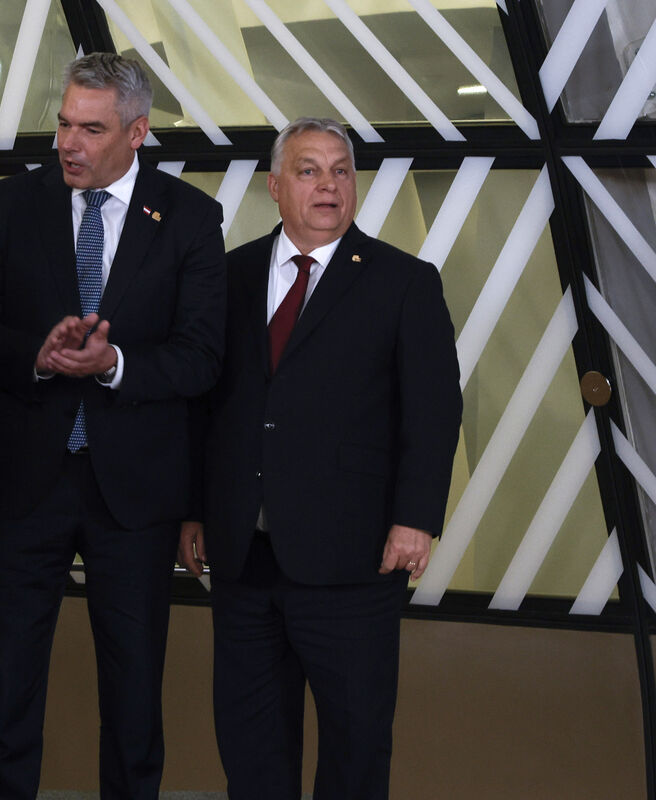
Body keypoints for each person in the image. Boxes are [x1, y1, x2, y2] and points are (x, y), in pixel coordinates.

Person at [0, 52, 226, 799]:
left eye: (90, 129)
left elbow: (202, 359)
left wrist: (113, 365)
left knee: (134, 691)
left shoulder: (191, 217)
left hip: (132, 494)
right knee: (4, 681)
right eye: (64, 123)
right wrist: (34, 355)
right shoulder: (13, 205)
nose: (69, 143)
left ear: (137, 132)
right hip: (22, 481)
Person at [180, 117, 463, 799]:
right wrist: (192, 511)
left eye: (341, 170)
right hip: (244, 556)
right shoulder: (231, 275)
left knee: (355, 744)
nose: (329, 184)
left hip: (354, 560)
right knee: (250, 745)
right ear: (276, 186)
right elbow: (201, 405)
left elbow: (433, 412)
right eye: (309, 170)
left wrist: (415, 519)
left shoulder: (403, 281)